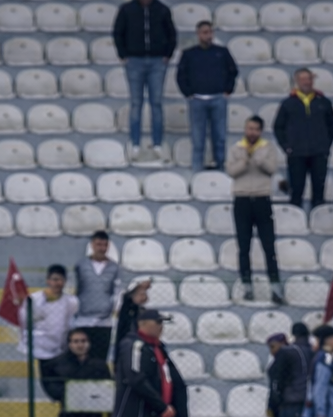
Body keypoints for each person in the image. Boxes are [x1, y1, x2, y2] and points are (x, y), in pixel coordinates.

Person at [226, 114, 283, 303]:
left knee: (269, 246)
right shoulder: (236, 148)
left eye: (256, 129)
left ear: (260, 131)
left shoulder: (267, 148)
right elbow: (231, 172)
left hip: (261, 198)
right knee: (243, 247)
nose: (252, 132)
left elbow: (271, 169)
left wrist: (257, 159)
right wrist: (244, 160)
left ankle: (276, 287)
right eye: (249, 128)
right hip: (242, 199)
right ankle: (247, 286)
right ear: (245, 129)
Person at [113, 0, 177, 165]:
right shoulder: (127, 9)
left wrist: (167, 54)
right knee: (136, 103)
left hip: (157, 60)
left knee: (156, 102)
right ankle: (135, 143)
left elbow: (171, 33)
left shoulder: (162, 9)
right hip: (134, 60)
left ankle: (157, 143)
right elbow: (118, 32)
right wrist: (123, 54)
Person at [272, 68, 333, 210]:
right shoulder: (288, 103)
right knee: (296, 192)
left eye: (309, 78)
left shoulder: (323, 102)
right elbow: (278, 127)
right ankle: (295, 220)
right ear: (297, 81)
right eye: (303, 79)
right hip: (296, 153)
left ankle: (318, 219)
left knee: (319, 192)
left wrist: (325, 145)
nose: (306, 82)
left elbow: (332, 126)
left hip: (319, 153)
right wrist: (286, 147)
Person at [176, 20, 236, 170]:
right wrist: (188, 93)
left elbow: (233, 71)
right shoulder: (189, 54)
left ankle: (221, 167)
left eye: (210, 32)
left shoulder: (222, 52)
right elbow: (181, 75)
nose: (208, 36)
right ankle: (197, 171)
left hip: (218, 99)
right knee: (198, 139)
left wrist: (227, 90)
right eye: (205, 33)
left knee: (220, 138)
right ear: (198, 34)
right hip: (197, 100)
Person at [73, 231, 120, 362]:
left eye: (104, 245)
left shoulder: (114, 267)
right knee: (82, 356)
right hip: (83, 318)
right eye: (98, 244)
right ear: (92, 245)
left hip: (104, 321)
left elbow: (116, 290)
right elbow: (76, 288)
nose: (101, 248)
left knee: (100, 357)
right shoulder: (81, 265)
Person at [22, 263, 78, 364]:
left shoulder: (71, 301)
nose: (57, 283)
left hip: (61, 349)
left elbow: (71, 323)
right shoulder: (34, 299)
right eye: (55, 279)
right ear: (48, 280)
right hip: (39, 349)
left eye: (61, 280)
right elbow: (25, 322)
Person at [114, 278, 150, 345]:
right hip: (126, 342)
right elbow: (126, 297)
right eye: (140, 293)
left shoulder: (142, 310)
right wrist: (139, 287)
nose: (142, 296)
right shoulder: (127, 307)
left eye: (144, 294)